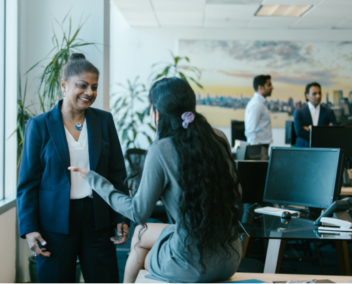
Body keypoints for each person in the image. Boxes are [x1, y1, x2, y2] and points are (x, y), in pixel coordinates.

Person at [70, 77, 242, 283]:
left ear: (157, 113)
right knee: (142, 234)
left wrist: (94, 179)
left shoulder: (162, 149)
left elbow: (138, 212)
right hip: (230, 257)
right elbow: (236, 194)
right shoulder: (219, 138)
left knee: (141, 244)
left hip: (190, 265)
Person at [17, 53, 129, 283]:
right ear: (64, 85)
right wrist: (29, 228)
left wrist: (121, 215)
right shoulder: (39, 125)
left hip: (97, 219)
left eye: (94, 87)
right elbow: (28, 182)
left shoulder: (104, 121)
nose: (90, 92)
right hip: (54, 224)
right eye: (82, 85)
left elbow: (117, 174)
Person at [294, 82, 337, 147]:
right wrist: (323, 131)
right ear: (307, 95)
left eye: (319, 93)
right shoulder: (299, 112)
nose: (318, 96)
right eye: (314, 94)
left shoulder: (329, 112)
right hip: (303, 149)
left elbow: (334, 132)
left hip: (323, 149)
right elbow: (299, 132)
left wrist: (310, 129)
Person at [244, 75, 273, 158]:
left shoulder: (261, 103)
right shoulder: (256, 104)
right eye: (269, 85)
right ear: (260, 87)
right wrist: (256, 151)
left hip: (262, 147)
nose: (272, 87)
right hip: (259, 148)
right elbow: (250, 130)